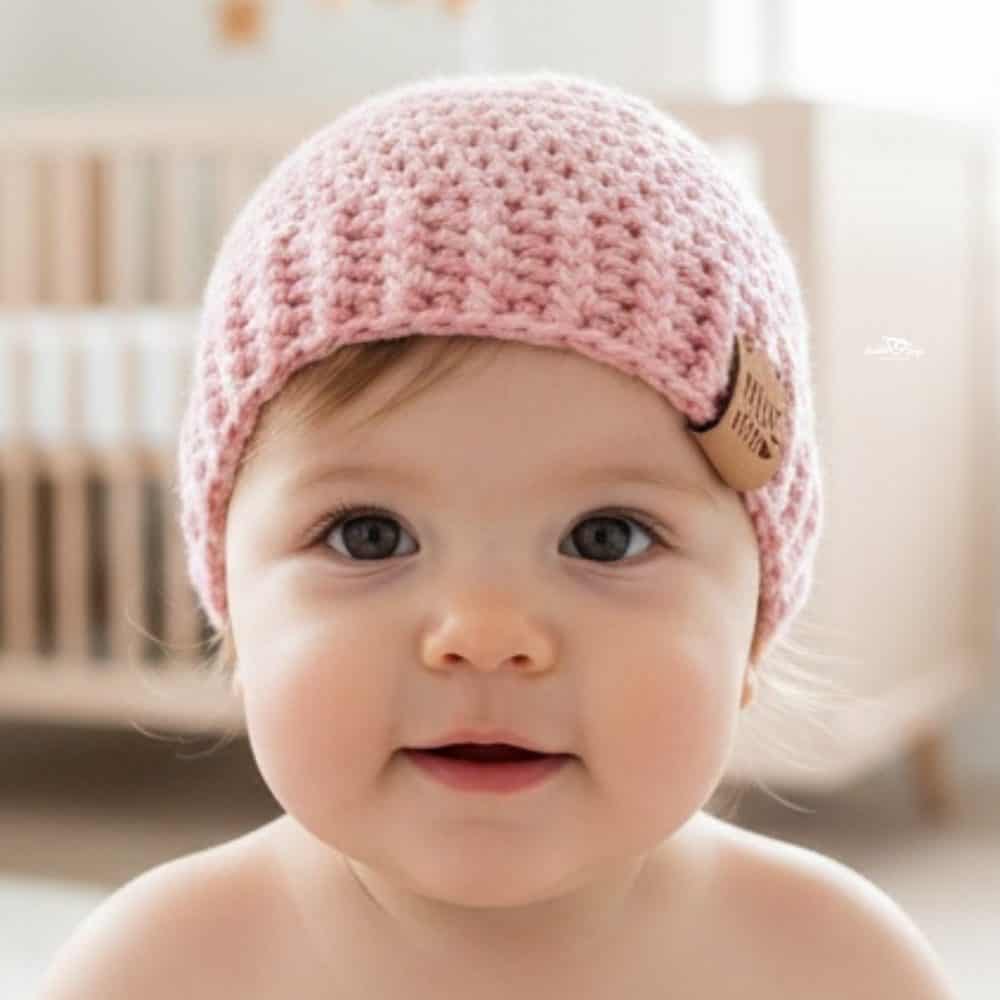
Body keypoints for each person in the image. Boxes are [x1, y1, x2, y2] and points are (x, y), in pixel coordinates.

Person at [40, 70, 956, 999]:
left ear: (755, 618)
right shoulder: (152, 972)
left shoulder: (837, 967)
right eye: (368, 536)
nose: (485, 634)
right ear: (233, 609)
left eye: (606, 538)